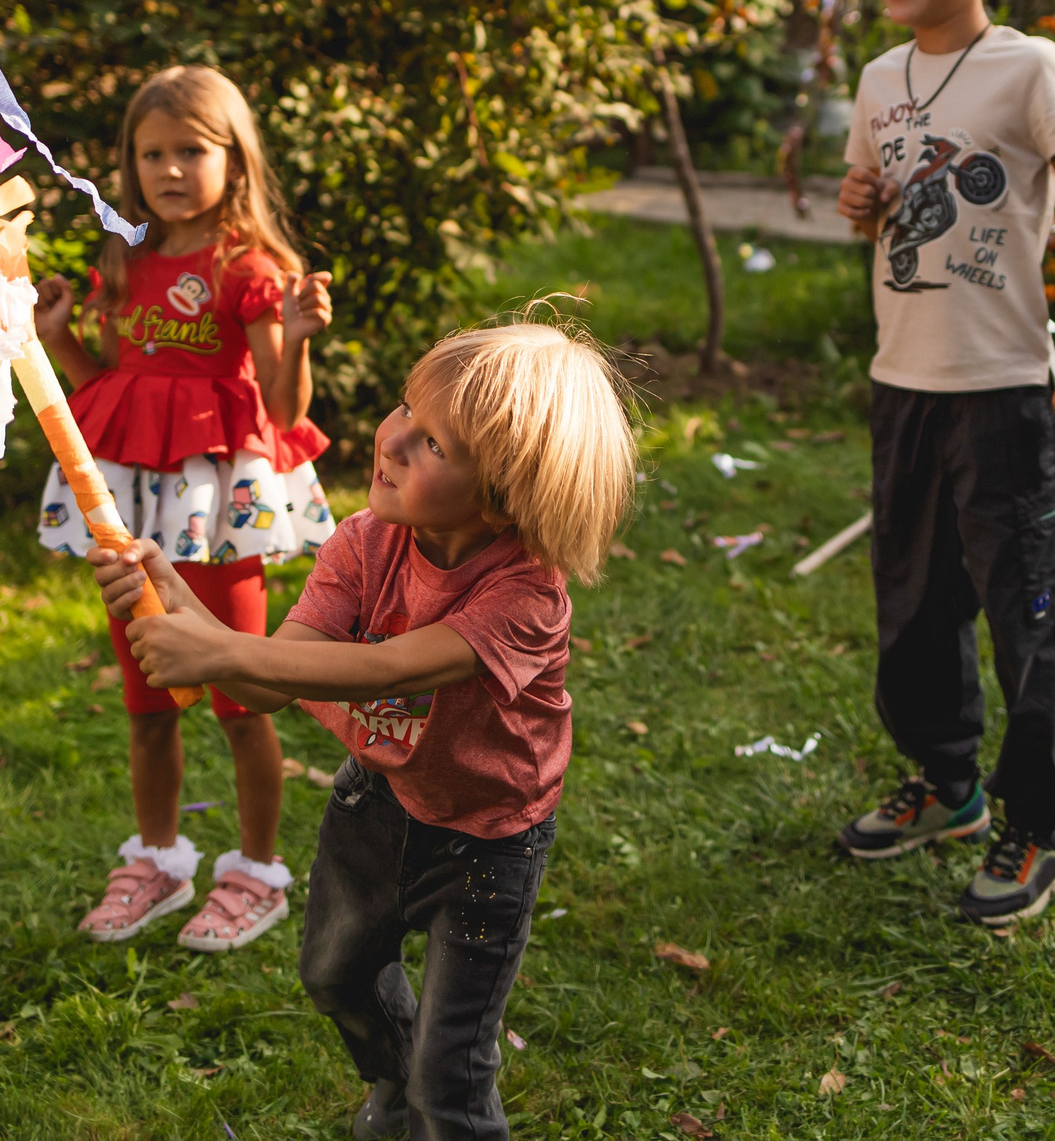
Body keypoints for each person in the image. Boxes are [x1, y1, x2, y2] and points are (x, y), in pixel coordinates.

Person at [94, 318, 636, 1141]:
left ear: (503, 495)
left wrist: (213, 648)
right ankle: (394, 1078)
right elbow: (269, 681)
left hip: (487, 842)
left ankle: (431, 1098)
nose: (393, 440)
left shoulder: (526, 595)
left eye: (434, 444)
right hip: (376, 802)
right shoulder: (364, 543)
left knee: (453, 1073)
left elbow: (388, 669)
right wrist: (176, 599)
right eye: (405, 408)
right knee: (334, 975)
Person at [826, 0, 1055, 928]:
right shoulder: (879, 79)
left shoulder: (1027, 66)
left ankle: (1040, 827)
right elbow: (879, 214)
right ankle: (947, 783)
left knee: (1021, 610)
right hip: (902, 381)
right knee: (912, 602)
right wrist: (861, 204)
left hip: (1001, 390)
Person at [35, 65, 338, 952]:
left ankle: (256, 872)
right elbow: (109, 388)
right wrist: (58, 340)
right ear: (129, 163)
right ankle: (158, 861)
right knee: (148, 696)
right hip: (131, 508)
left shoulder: (249, 269)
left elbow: (280, 406)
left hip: (221, 509)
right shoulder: (123, 262)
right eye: (152, 153)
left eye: (191, 151)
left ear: (234, 159)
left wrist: (299, 341)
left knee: (241, 691)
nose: (169, 169)